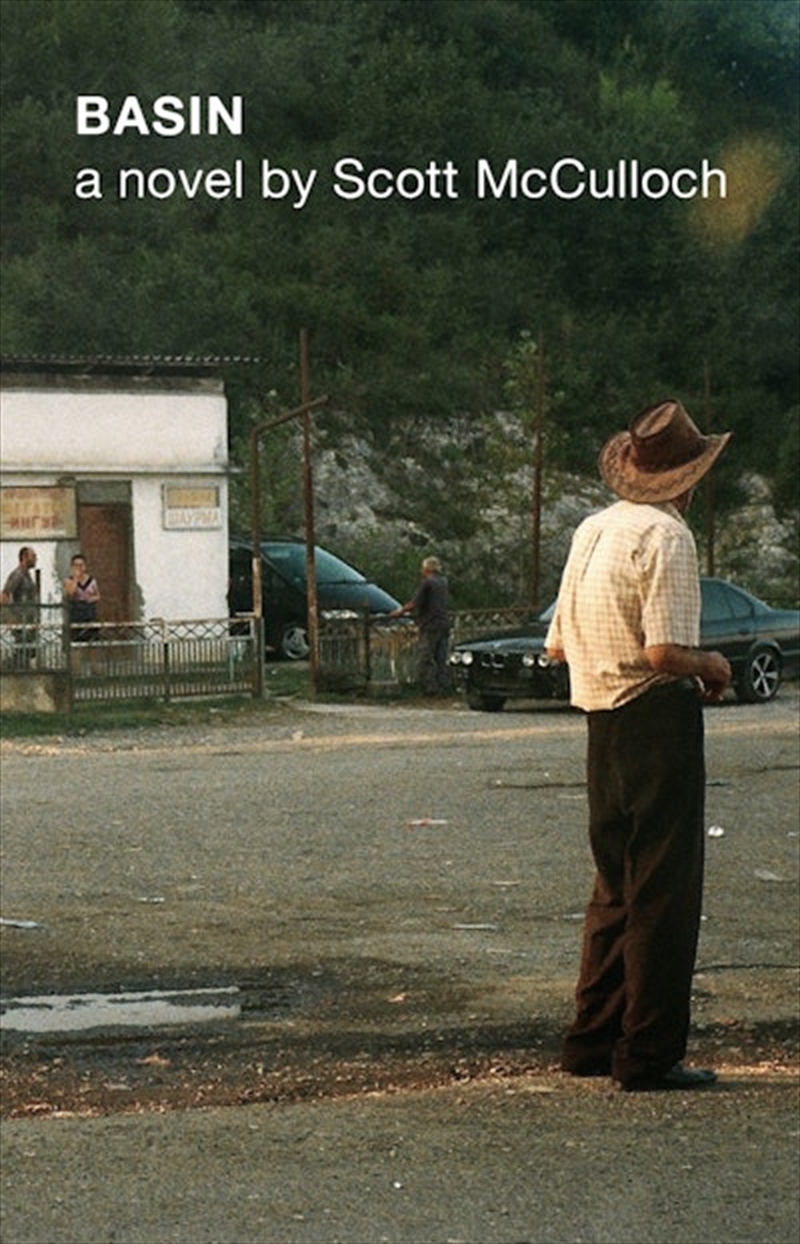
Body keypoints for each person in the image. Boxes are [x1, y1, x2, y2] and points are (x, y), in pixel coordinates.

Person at [545, 398, 732, 1092]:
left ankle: (590, 1041)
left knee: (615, 887)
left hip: (600, 719)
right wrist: (710, 665)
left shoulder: (591, 530)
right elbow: (663, 652)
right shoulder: (668, 537)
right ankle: (649, 1053)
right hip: (655, 720)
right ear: (687, 478)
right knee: (664, 889)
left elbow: (559, 642)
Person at [391, 555, 451, 695]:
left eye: (422, 568)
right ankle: (443, 686)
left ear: (427, 568)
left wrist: (399, 612)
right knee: (441, 657)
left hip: (430, 624)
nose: (421, 571)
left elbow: (415, 603)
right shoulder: (443, 581)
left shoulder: (427, 583)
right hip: (443, 623)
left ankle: (430, 689)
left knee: (426, 657)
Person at [1, 546, 38, 667]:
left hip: (28, 621)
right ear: (24, 557)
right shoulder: (18, 575)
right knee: (23, 651)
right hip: (20, 621)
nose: (35, 559)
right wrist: (9, 617)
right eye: (33, 556)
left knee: (29, 652)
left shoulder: (27, 575)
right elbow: (4, 595)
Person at [64, 553, 101, 647]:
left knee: (92, 645)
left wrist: (91, 599)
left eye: (81, 565)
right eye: (76, 565)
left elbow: (98, 595)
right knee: (76, 645)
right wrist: (76, 579)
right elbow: (70, 594)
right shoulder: (69, 581)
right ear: (72, 567)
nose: (79, 568)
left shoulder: (92, 581)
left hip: (90, 615)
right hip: (76, 616)